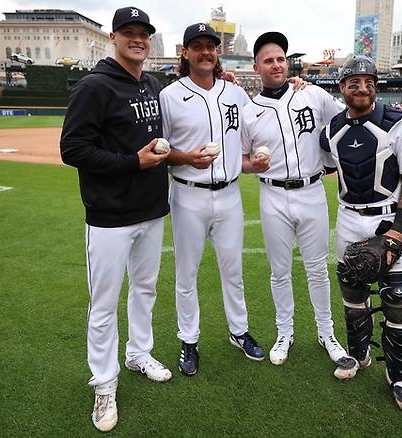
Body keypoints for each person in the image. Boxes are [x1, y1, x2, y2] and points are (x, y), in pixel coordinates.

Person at [60, 6, 172, 432]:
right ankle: (104, 382)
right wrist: (132, 162)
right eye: (129, 32)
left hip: (150, 208)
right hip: (108, 215)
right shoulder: (94, 86)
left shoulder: (151, 83)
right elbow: (73, 149)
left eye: (143, 33)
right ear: (114, 37)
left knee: (144, 289)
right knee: (104, 304)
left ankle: (138, 353)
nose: (137, 38)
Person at [320, 55, 402, 414]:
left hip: (388, 219)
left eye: (368, 82)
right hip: (350, 219)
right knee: (353, 295)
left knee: (399, 298)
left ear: (375, 87)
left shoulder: (397, 122)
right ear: (342, 89)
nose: (362, 88)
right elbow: (323, 155)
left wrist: (397, 232)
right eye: (354, 82)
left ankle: (400, 376)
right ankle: (358, 354)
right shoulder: (332, 128)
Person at [159, 23, 265, 376]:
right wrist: (187, 157)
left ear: (217, 52)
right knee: (186, 274)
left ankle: (239, 331)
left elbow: (261, 121)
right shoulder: (170, 95)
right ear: (185, 53)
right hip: (188, 195)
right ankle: (189, 340)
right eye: (198, 46)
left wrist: (298, 85)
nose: (206, 51)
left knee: (233, 271)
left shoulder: (235, 93)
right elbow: (160, 150)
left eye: (211, 46)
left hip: (230, 195)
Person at [240, 32, 351, 367]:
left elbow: (349, 117)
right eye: (268, 60)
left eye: (280, 59)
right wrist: (251, 165)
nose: (276, 65)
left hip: (312, 191)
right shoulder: (249, 111)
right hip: (272, 194)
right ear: (256, 66)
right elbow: (242, 159)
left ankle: (326, 333)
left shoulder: (313, 94)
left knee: (318, 269)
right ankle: (284, 332)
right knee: (279, 271)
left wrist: (396, 115)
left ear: (286, 63)